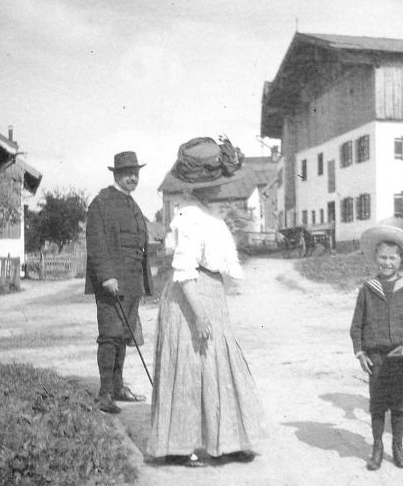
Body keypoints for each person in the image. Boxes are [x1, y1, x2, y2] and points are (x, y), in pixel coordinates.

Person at [147, 136, 267, 467]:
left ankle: (227, 440)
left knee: (219, 365)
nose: (220, 187)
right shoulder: (188, 217)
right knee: (191, 367)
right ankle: (180, 445)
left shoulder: (206, 213)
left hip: (210, 294)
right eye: (217, 181)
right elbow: (183, 272)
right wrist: (199, 315)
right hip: (192, 297)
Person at [350, 226, 403, 470]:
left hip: (399, 356)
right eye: (383, 257)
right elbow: (357, 325)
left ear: (401, 260)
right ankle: (377, 447)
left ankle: (398, 447)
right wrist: (360, 351)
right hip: (376, 356)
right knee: (378, 403)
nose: (388, 262)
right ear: (376, 259)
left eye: (393, 258)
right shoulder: (368, 289)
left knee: (399, 403)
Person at [85, 151, 153, 414]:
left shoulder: (132, 203)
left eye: (136, 173)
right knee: (110, 336)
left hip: (133, 283)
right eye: (128, 173)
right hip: (112, 283)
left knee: (125, 336)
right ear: (116, 174)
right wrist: (106, 276)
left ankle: (117, 387)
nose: (133, 178)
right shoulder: (101, 203)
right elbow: (96, 243)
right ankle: (104, 395)